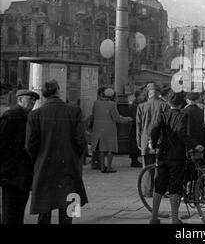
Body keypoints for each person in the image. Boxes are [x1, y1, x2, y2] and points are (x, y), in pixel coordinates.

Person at [25, 80, 88, 224]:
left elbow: (30, 145)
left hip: (44, 165)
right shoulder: (74, 110)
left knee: (44, 208)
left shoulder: (35, 114)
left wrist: (37, 160)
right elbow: (81, 141)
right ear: (58, 91)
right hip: (69, 164)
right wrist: (76, 156)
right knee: (70, 208)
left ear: (44, 94)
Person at [149, 91, 195, 224]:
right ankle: (175, 219)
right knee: (175, 186)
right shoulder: (182, 116)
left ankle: (153, 217)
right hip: (177, 156)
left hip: (162, 154)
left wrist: (154, 143)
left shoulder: (162, 116)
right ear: (182, 104)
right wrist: (193, 145)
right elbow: (181, 133)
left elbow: (154, 130)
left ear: (168, 103)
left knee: (159, 186)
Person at [0, 89, 39, 224]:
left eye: (34, 100)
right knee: (10, 212)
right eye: (30, 99)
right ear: (20, 100)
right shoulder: (11, 116)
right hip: (11, 174)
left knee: (17, 211)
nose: (33, 102)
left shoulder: (27, 116)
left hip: (22, 174)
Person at [136, 83, 169, 196]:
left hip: (145, 140)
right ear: (159, 93)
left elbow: (138, 126)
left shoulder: (141, 106)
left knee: (146, 167)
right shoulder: (164, 105)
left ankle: (147, 191)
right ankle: (158, 190)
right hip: (160, 140)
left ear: (148, 94)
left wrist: (139, 141)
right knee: (160, 166)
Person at [90, 88, 133, 173]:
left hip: (98, 128)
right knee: (110, 148)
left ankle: (102, 167)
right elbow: (117, 118)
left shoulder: (96, 103)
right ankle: (109, 167)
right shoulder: (112, 104)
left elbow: (93, 114)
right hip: (109, 128)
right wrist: (127, 119)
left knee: (101, 149)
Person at [128, 90, 146, 168]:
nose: (144, 97)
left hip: (139, 126)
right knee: (134, 143)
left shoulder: (139, 104)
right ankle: (134, 160)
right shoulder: (135, 105)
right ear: (138, 96)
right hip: (135, 126)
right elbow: (136, 117)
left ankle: (136, 160)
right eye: (142, 95)